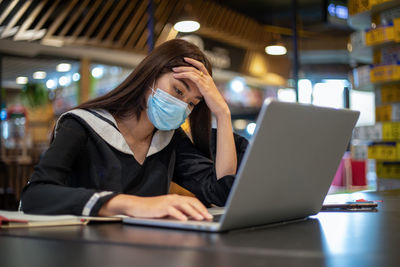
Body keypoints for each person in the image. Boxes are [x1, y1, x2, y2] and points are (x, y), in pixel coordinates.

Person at [20, 39, 247, 221]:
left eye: (192, 103)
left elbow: (222, 192)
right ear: (151, 75)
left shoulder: (169, 140)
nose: (183, 106)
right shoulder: (82, 125)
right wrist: (132, 204)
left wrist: (222, 114)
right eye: (178, 91)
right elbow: (35, 195)